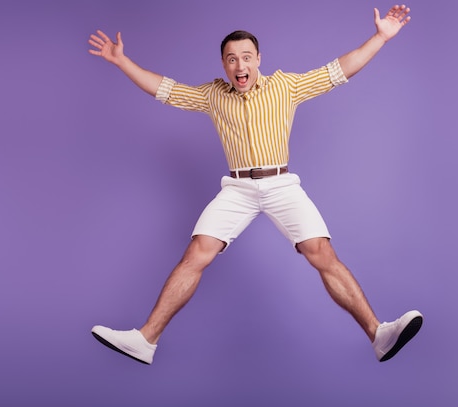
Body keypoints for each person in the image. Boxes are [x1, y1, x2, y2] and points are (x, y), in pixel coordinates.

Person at [88, 4, 422, 365]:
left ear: (259, 58)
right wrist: (122, 62)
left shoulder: (286, 86)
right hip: (237, 190)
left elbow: (341, 69)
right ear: (224, 65)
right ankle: (145, 339)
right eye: (231, 59)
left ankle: (379, 334)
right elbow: (164, 89)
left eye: (246, 57)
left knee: (321, 254)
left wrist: (380, 37)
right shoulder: (213, 95)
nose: (239, 65)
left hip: (281, 184)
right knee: (197, 252)